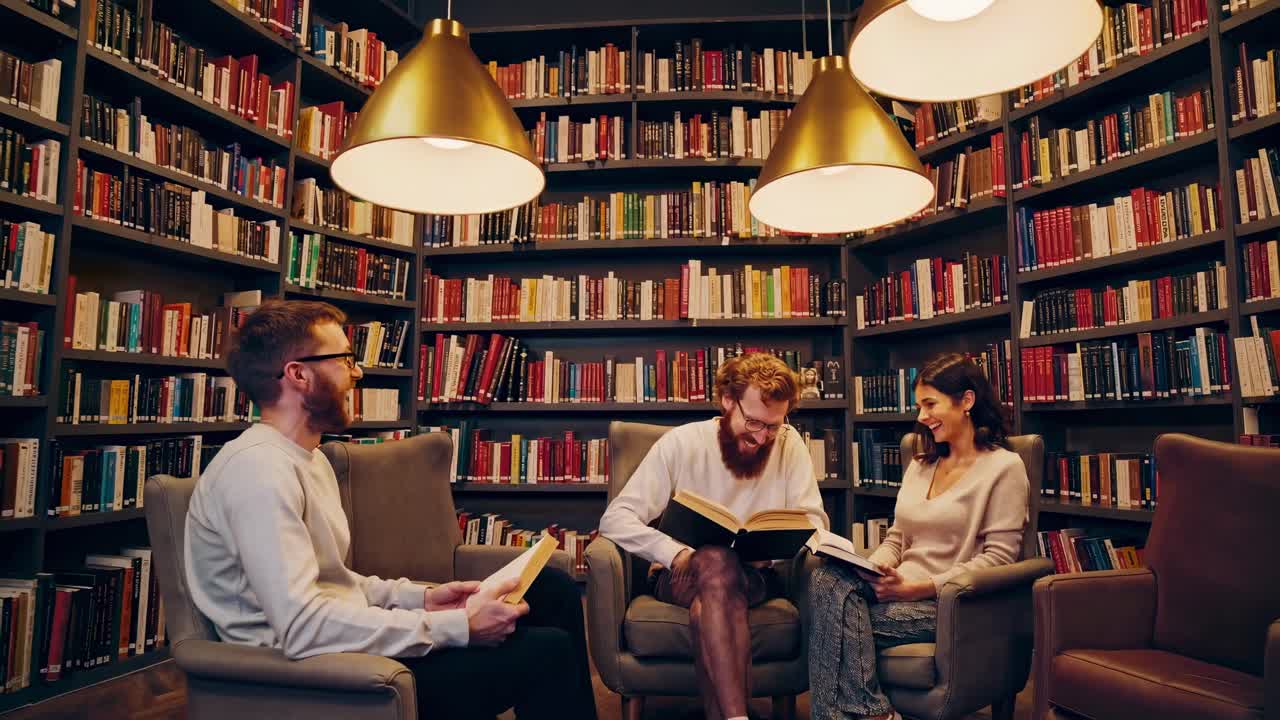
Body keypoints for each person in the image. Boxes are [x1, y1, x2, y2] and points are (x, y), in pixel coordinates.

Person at [184, 300, 597, 720]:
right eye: (345, 359)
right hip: (315, 673)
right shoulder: (258, 472)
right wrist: (456, 627)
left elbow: (336, 584)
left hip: (342, 642)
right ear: (298, 374)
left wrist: (425, 598)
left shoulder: (310, 460)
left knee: (551, 589)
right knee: (547, 652)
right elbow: (303, 627)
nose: (357, 373)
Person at [599, 352, 829, 720]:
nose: (762, 437)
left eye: (773, 426)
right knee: (713, 559)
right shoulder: (682, 442)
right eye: (753, 422)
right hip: (679, 577)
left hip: (754, 577)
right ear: (727, 401)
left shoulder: (789, 444)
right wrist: (674, 553)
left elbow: (814, 523)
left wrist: (774, 550)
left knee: (707, 601)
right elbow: (616, 518)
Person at [807, 353, 1029, 720]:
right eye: (919, 406)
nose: (922, 416)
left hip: (949, 606)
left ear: (967, 401)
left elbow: (998, 559)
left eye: (930, 404)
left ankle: (871, 713)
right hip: (892, 590)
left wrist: (918, 588)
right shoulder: (921, 465)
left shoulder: (1004, 468)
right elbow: (897, 538)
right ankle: (872, 711)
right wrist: (875, 566)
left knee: (830, 622)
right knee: (826, 577)